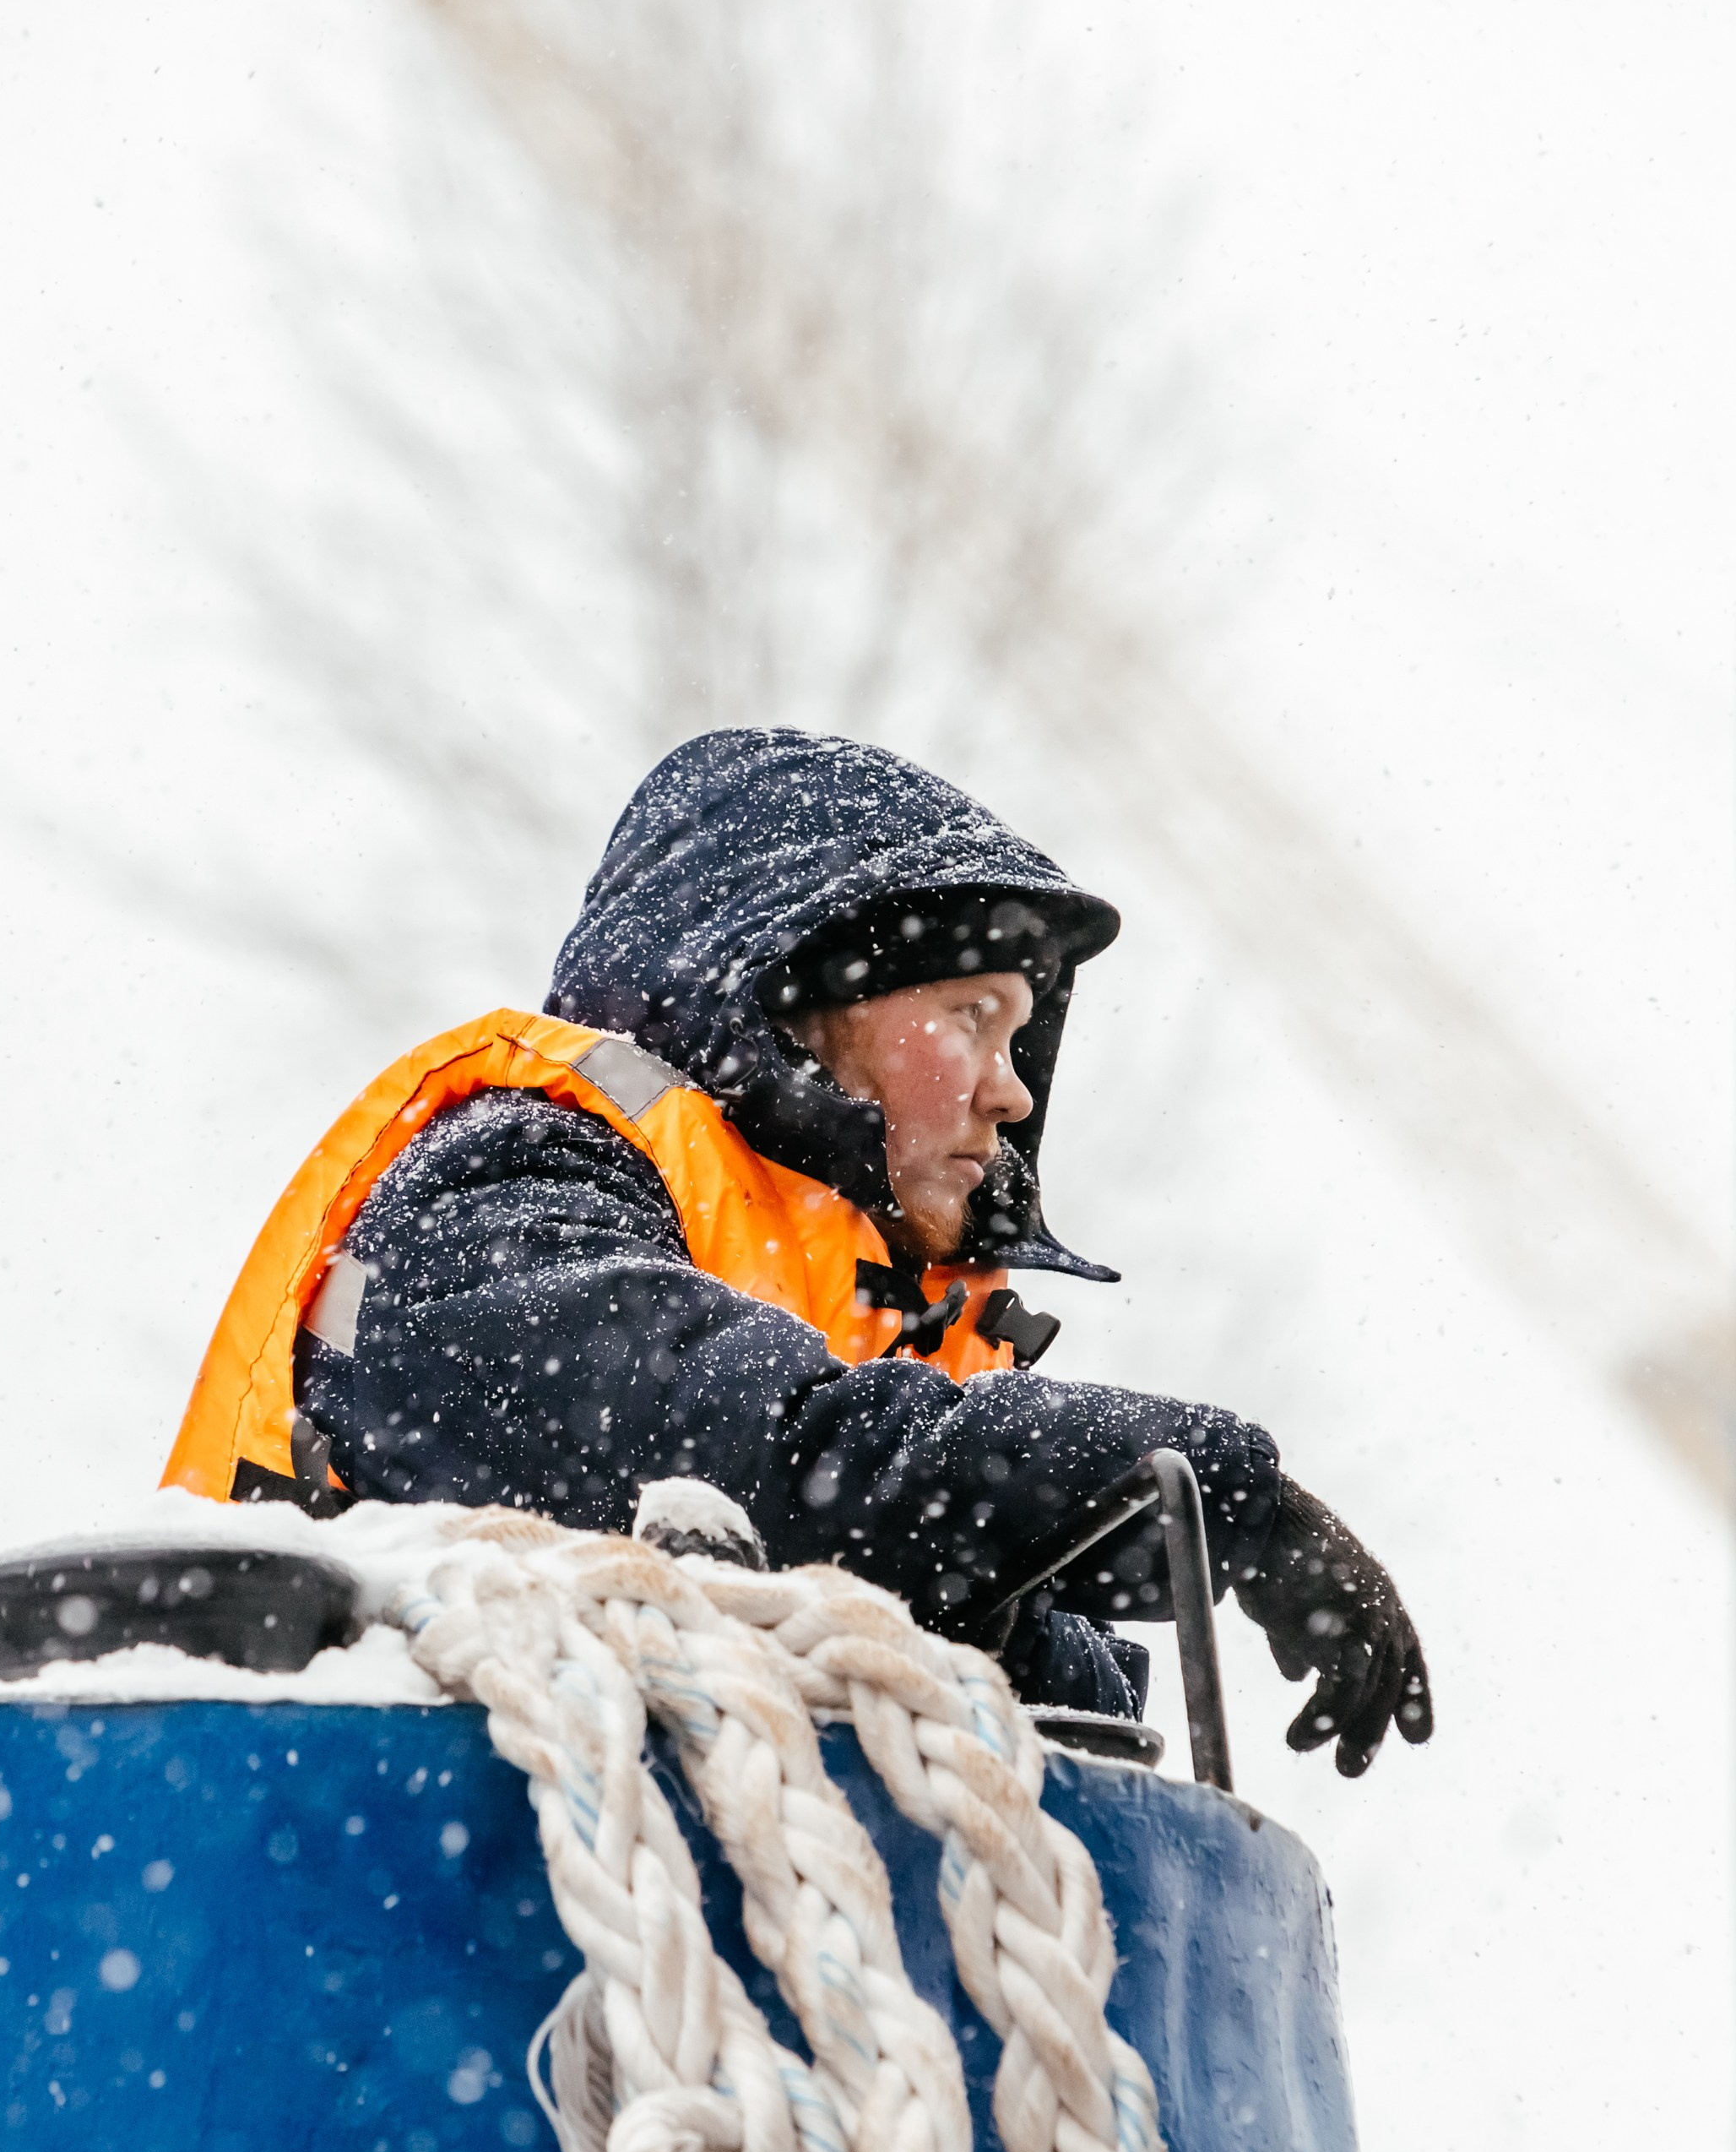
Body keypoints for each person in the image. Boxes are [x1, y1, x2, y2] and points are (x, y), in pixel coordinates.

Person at [167, 728, 1431, 1775]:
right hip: (321, 1908)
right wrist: (1205, 1490)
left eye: (1018, 1039)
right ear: (794, 1004)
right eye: (971, 1016)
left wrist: (1055, 1579)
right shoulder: (505, 1192)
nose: (1012, 1094)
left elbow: (1010, 1650)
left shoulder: (874, 1315)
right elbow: (778, 1473)